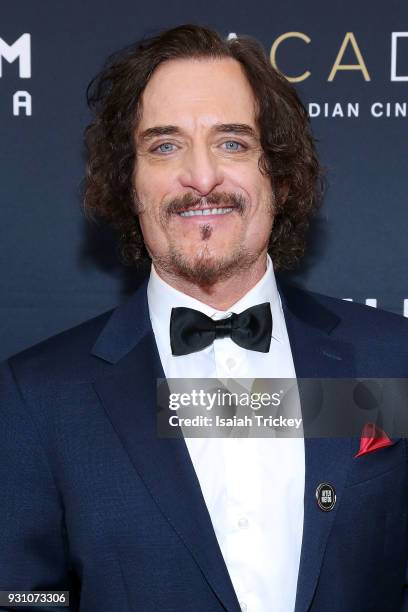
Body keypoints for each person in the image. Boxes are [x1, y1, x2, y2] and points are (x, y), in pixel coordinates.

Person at [0, 24, 407, 612]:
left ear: (283, 176)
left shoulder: (391, 359)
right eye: (165, 146)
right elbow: (22, 598)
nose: (202, 176)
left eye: (232, 143)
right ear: (128, 184)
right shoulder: (38, 398)